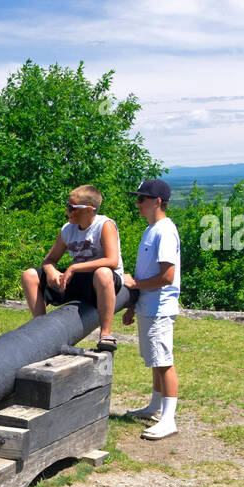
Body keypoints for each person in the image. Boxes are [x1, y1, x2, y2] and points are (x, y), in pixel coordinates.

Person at [21, 185, 123, 351]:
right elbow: (49, 260)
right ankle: (40, 329)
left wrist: (74, 268)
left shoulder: (104, 225)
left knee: (103, 273)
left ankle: (105, 333)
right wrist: (52, 271)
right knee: (29, 275)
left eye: (72, 208)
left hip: (103, 280)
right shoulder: (67, 230)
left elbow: (112, 261)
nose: (67, 212)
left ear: (89, 210)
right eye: (67, 206)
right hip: (78, 279)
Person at [122, 179, 180, 440]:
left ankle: (169, 419)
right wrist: (133, 304)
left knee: (164, 361)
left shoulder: (165, 231)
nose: (138, 203)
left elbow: (167, 276)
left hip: (160, 307)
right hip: (148, 305)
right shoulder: (151, 229)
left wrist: (134, 284)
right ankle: (156, 407)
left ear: (157, 201)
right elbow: (147, 272)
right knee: (155, 359)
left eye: (142, 199)